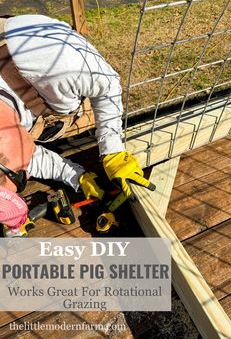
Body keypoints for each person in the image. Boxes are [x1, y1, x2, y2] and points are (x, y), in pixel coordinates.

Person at [0, 14, 155, 236]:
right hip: (25, 100)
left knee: (82, 115)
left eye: (21, 174)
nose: (29, 171)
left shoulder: (59, 63)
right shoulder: (9, 143)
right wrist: (77, 176)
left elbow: (108, 86)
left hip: (39, 61)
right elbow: (26, 157)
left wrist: (113, 151)